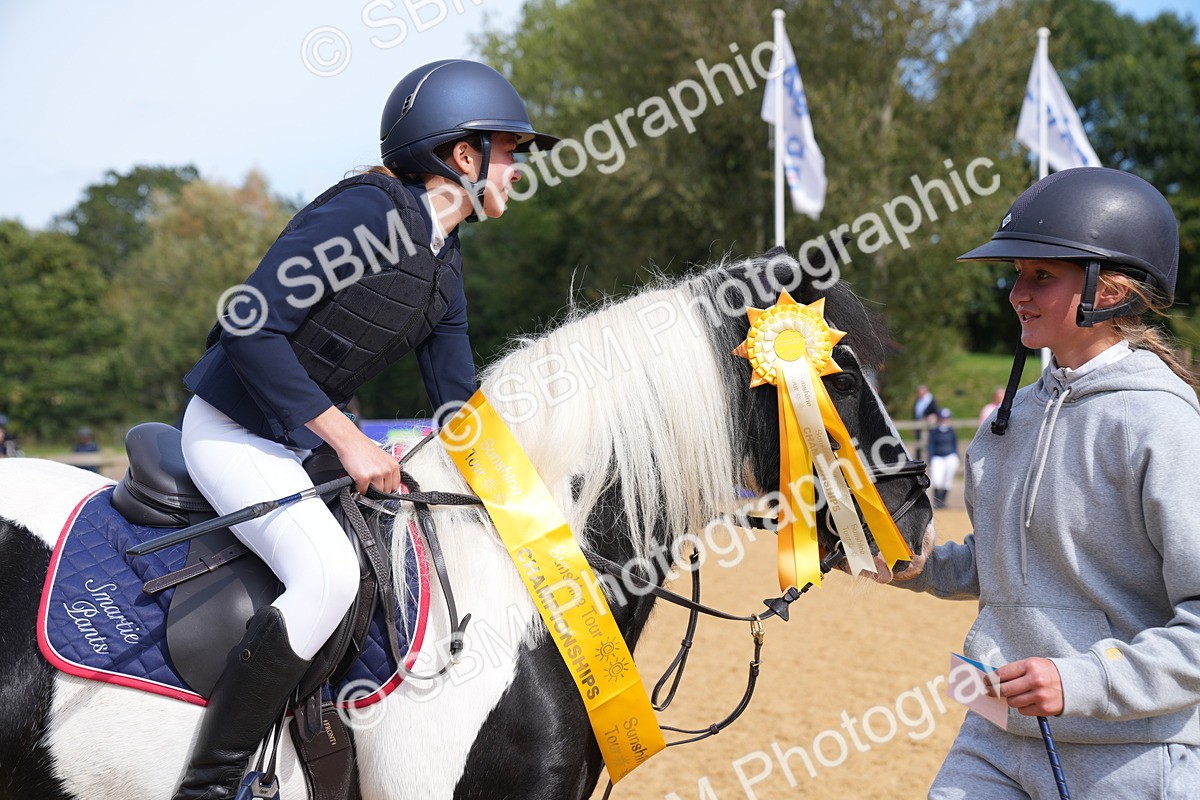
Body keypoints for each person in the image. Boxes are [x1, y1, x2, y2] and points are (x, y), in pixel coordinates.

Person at [174, 60, 558, 799]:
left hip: (297, 444)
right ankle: (212, 783)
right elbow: (247, 325)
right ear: (462, 155)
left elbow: (459, 405)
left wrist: (544, 498)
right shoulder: (366, 215)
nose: (518, 169)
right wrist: (349, 440)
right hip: (231, 429)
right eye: (509, 151)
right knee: (327, 575)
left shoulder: (443, 266)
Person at [886, 167, 1200, 797]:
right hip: (995, 735)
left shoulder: (1161, 421)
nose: (1016, 294)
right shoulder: (1015, 415)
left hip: (1130, 753)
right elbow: (1002, 562)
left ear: (1109, 291)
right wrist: (913, 565)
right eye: (1016, 275)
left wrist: (1083, 681)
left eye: (1041, 276)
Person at [926, 408, 958, 509]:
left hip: (950, 456)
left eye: (947, 418)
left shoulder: (951, 431)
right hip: (938, 457)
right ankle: (937, 501)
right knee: (936, 479)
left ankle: (943, 502)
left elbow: (954, 444)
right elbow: (931, 445)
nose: (945, 420)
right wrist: (930, 458)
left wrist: (956, 455)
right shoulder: (934, 431)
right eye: (943, 418)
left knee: (947, 480)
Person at [912, 384, 939, 460]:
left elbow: (935, 412)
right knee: (918, 442)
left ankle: (928, 459)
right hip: (918, 423)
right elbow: (915, 413)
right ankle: (918, 459)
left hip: (928, 424)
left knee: (927, 442)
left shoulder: (931, 400)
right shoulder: (918, 400)